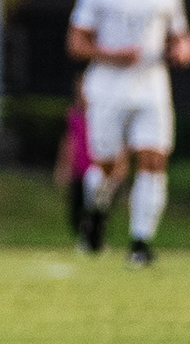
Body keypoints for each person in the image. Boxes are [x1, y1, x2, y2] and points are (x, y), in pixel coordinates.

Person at [68, 0, 190, 267]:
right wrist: (114, 54)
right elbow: (77, 43)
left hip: (151, 86)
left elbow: (181, 37)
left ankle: (141, 241)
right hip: (109, 86)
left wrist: (183, 50)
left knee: (153, 160)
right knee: (110, 166)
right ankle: (95, 213)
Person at [54, 73, 127, 252]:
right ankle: (84, 238)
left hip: (99, 169)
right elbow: (69, 141)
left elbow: (119, 144)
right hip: (80, 169)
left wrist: (121, 167)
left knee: (100, 205)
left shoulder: (108, 113)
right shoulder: (75, 114)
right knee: (78, 207)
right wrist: (63, 165)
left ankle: (96, 239)